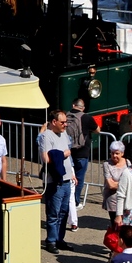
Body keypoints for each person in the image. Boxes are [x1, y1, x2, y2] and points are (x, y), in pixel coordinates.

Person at [38, 109, 76, 254]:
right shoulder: (46, 136)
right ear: (54, 122)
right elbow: (46, 158)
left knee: (64, 212)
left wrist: (72, 173)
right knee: (53, 212)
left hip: (66, 180)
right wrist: (63, 154)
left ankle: (60, 239)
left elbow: (69, 155)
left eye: (66, 122)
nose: (65, 125)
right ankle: (51, 241)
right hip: (54, 181)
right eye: (63, 122)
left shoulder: (64, 134)